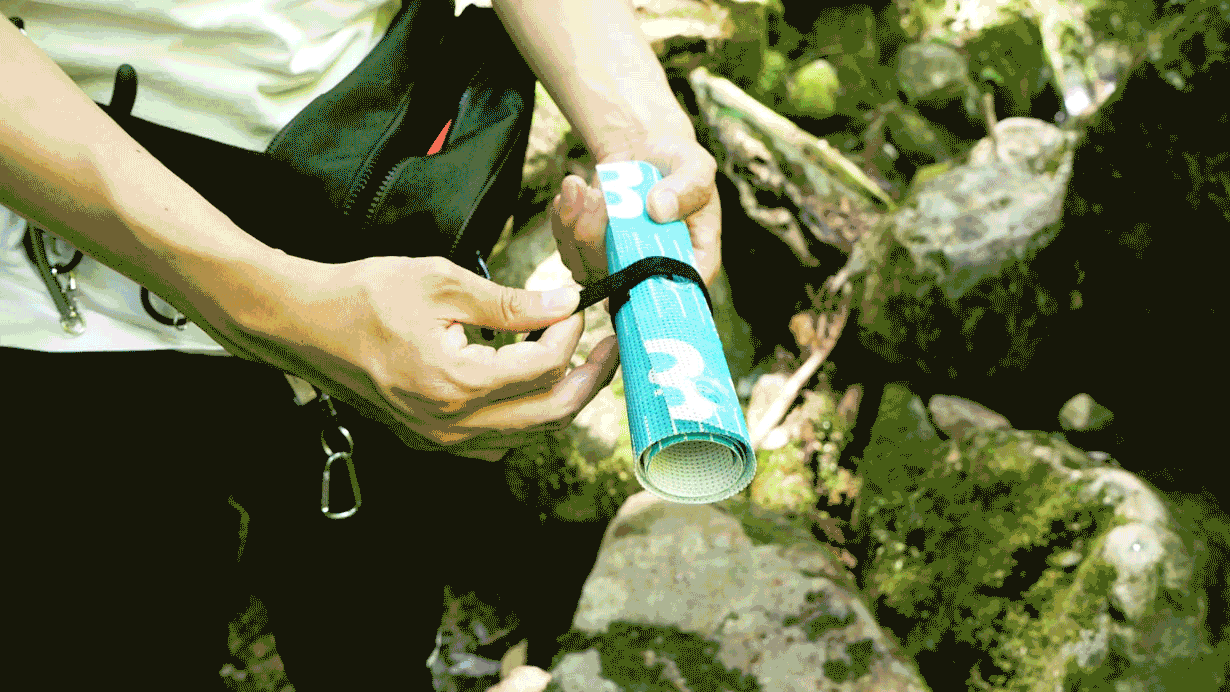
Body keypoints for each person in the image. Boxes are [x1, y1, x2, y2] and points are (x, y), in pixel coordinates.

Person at [1, 0, 721, 688]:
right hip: (53, 302)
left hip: (379, 225)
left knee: (375, 619)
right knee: (108, 643)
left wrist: (638, 136)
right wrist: (279, 308)